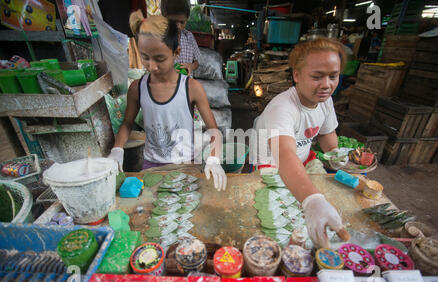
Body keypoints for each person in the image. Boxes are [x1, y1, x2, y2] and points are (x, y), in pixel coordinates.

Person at [108, 11, 226, 191]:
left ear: (176, 52)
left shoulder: (191, 88)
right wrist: (117, 150)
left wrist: (214, 158)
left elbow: (213, 130)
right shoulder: (137, 88)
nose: (152, 66)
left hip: (186, 166)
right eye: (145, 57)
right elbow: (127, 124)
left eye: (160, 59)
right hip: (151, 166)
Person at [252, 37, 350, 248]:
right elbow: (285, 154)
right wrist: (312, 200)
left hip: (300, 164)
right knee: (274, 222)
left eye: (334, 76)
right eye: (317, 77)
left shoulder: (325, 101)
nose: (326, 84)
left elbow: (326, 133)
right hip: (272, 167)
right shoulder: (283, 108)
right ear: (296, 75)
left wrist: (335, 154)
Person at [161, 0, 200, 77]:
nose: (178, 26)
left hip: (186, 83)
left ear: (187, 19)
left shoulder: (188, 36)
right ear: (164, 17)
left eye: (182, 22)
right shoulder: (160, 38)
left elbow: (197, 62)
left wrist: (191, 66)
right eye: (173, 21)